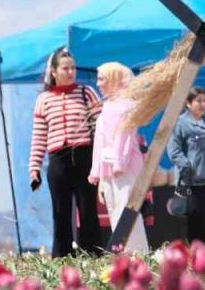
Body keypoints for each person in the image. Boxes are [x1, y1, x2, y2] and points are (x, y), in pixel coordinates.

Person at [29, 47, 104, 257]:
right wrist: (34, 168)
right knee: (60, 212)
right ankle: (62, 258)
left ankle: (92, 256)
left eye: (73, 68)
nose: (71, 72)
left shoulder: (86, 93)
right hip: (58, 160)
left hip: (84, 156)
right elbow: (39, 137)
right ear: (54, 72)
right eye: (65, 68)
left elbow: (101, 129)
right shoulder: (43, 100)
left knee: (87, 210)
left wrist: (100, 162)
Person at [88, 62, 148, 253]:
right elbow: (99, 142)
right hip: (110, 168)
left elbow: (125, 138)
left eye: (102, 79)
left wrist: (118, 163)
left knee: (126, 210)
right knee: (115, 210)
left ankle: (137, 253)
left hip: (125, 166)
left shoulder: (127, 106)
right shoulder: (109, 106)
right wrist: (98, 173)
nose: (98, 84)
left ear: (115, 79)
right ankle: (123, 253)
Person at [168, 87, 205, 246]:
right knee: (195, 221)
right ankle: (193, 254)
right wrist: (187, 166)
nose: (202, 104)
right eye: (198, 101)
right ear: (188, 103)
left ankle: (202, 253)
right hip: (192, 181)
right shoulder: (180, 123)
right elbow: (174, 151)